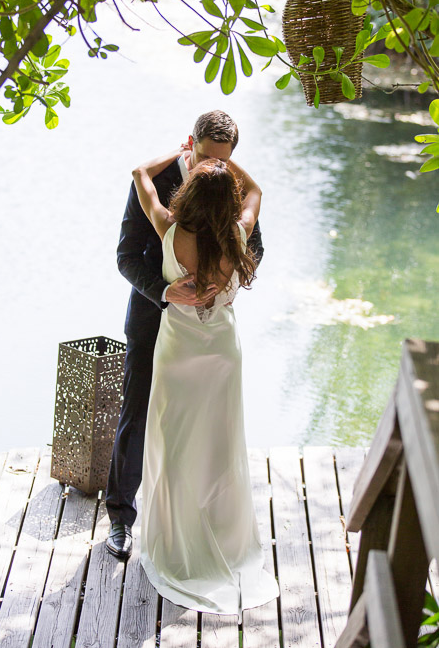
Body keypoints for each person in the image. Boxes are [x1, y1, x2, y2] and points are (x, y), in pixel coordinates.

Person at [105, 111, 263, 561]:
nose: (214, 168)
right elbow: (126, 256)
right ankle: (121, 516)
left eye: (226, 161)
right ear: (189, 143)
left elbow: (256, 245)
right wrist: (164, 289)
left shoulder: (224, 187)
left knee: (203, 424)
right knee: (137, 412)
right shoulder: (152, 189)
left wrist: (230, 284)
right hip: (154, 316)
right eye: (208, 157)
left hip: (209, 322)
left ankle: (191, 518)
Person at [130, 148, 279, 618]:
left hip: (178, 354)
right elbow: (256, 191)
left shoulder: (169, 232)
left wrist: (182, 154)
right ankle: (220, 535)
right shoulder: (239, 234)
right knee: (219, 445)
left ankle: (176, 540)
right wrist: (225, 167)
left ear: (190, 192)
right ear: (227, 201)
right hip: (222, 355)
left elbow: (140, 175)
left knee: (172, 445)